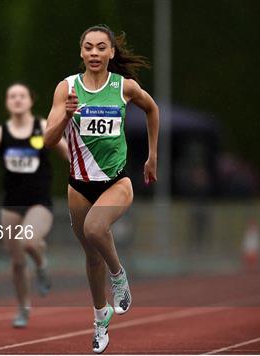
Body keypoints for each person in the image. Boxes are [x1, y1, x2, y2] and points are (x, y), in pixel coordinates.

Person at [44, 25, 159, 353]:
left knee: (96, 229)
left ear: (111, 53)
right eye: (89, 48)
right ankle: (100, 320)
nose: (94, 53)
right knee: (90, 255)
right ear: (81, 53)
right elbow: (48, 140)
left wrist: (153, 156)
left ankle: (119, 276)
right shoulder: (66, 89)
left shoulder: (125, 87)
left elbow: (152, 109)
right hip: (78, 185)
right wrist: (65, 117)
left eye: (101, 48)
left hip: (116, 182)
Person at [0, 82, 68, 328]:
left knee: (29, 241)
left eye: (21, 95)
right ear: (7, 102)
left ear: (30, 101)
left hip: (39, 202)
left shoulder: (43, 127)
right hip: (11, 204)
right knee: (16, 262)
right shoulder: (0, 132)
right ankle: (24, 308)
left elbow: (68, 154)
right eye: (12, 96)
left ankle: (42, 265)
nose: (17, 99)